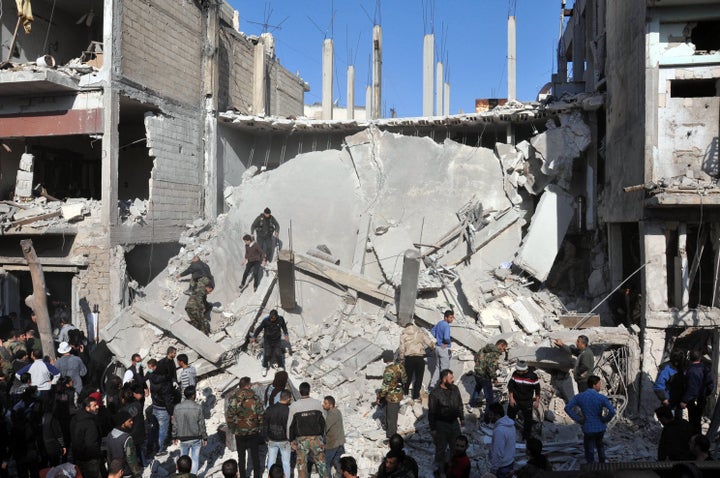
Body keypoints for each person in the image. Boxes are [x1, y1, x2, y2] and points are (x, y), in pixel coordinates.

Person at [564, 375, 616, 463]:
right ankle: (602, 467)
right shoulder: (601, 398)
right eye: (599, 384)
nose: (600, 386)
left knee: (589, 449)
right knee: (600, 446)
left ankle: (591, 468)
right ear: (594, 385)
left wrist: (578, 419)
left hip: (588, 427)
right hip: (600, 427)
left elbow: (567, 408)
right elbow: (612, 411)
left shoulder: (579, 397)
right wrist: (605, 419)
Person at [226, 376, 264, 478]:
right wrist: (259, 427)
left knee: (241, 457)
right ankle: (257, 476)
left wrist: (233, 429)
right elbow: (261, 414)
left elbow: (229, 415)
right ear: (247, 385)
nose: (251, 386)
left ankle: (242, 475)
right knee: (255, 456)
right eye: (250, 384)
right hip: (253, 431)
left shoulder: (234, 398)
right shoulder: (255, 397)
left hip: (239, 432)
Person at [428, 369, 464, 476]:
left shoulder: (455, 389)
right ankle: (440, 471)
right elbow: (432, 412)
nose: (453, 380)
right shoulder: (435, 393)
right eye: (451, 378)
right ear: (444, 379)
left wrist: (462, 418)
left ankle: (454, 469)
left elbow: (460, 404)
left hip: (454, 423)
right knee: (441, 449)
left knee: (456, 447)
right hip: (441, 424)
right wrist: (433, 428)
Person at [287, 382, 326, 478]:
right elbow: (323, 422)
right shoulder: (317, 404)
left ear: (300, 392)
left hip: (301, 440)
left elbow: (290, 425)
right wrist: (322, 436)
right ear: (309, 391)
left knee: (301, 466)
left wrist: (291, 440)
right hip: (316, 438)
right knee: (321, 464)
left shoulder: (294, 406)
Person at [471, 339, 508, 423]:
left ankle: (471, 405)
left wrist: (479, 366)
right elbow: (490, 367)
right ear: (501, 345)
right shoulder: (494, 353)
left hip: (477, 374)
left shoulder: (485, 348)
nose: (504, 351)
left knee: (477, 388)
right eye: (504, 348)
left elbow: (476, 357)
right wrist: (495, 378)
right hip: (485, 377)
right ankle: (487, 420)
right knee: (490, 399)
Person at [173, 386, 207, 475]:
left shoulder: (177, 407)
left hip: (183, 438)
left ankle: (182, 475)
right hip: (196, 437)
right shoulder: (198, 407)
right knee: (195, 459)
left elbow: (175, 424)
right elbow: (201, 424)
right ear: (193, 396)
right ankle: (192, 476)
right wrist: (205, 437)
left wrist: (174, 436)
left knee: (183, 459)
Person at [398, 321, 434, 401]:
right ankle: (415, 396)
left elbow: (401, 348)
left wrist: (401, 358)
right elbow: (429, 342)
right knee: (419, 378)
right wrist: (433, 347)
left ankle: (405, 393)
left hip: (409, 359)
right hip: (419, 358)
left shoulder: (404, 335)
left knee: (408, 377)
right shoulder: (420, 332)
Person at [681, 350, 713, 436]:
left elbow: (691, 388)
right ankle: (697, 438)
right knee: (697, 419)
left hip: (693, 399)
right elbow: (710, 385)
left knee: (693, 420)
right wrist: (706, 394)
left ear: (690, 358)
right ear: (700, 358)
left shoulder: (690, 370)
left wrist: (684, 400)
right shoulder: (705, 368)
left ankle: (693, 439)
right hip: (701, 398)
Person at [147, 358, 175, 455]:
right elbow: (168, 400)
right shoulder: (164, 383)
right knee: (163, 430)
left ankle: (149, 447)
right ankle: (159, 450)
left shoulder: (152, 378)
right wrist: (171, 413)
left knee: (155, 428)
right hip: (163, 409)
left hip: (155, 406)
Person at [70, 396, 103, 478]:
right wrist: (96, 455)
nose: (97, 407)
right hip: (91, 459)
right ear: (87, 408)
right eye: (94, 405)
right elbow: (91, 443)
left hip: (78, 457)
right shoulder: (90, 423)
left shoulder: (75, 419)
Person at [377, 350, 407, 438]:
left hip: (391, 396)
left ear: (385, 359)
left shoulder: (388, 371)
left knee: (392, 417)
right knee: (389, 413)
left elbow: (385, 387)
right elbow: (405, 379)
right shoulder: (400, 366)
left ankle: (391, 436)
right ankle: (388, 427)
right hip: (398, 394)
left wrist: (379, 396)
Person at [507, 360, 541, 439]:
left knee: (528, 420)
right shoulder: (515, 374)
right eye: (517, 370)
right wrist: (511, 398)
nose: (518, 372)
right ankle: (508, 432)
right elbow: (510, 387)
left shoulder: (533, 376)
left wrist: (537, 401)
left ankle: (526, 436)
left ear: (524, 370)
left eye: (519, 371)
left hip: (527, 401)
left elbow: (537, 389)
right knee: (510, 417)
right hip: (515, 400)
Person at [251, 310, 289, 377]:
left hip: (277, 340)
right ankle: (264, 366)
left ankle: (281, 366)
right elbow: (259, 328)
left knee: (278, 353)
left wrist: (286, 334)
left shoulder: (281, 319)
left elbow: (284, 327)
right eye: (271, 318)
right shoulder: (266, 320)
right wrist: (254, 336)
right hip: (267, 340)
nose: (271, 319)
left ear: (276, 317)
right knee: (267, 354)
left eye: (273, 318)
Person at [263, 389, 292, 478]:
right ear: (288, 399)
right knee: (286, 462)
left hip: (272, 439)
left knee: (271, 461)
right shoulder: (288, 410)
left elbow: (265, 424)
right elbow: (291, 427)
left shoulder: (270, 409)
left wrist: (266, 437)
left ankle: (270, 476)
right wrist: (291, 439)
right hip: (284, 440)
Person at [106, 410, 142, 478]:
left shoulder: (110, 435)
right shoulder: (127, 439)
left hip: (115, 472)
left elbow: (108, 455)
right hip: (126, 472)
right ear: (123, 423)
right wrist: (137, 473)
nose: (132, 422)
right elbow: (130, 457)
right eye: (129, 421)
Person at [654, 350, 685, 419]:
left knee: (678, 423)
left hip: (678, 402)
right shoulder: (666, 368)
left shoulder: (680, 368)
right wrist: (664, 399)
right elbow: (658, 386)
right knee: (671, 423)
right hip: (669, 402)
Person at [487, 403, 515, 478]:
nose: (489, 417)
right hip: (510, 463)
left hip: (502, 467)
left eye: (491, 415)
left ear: (497, 415)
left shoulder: (499, 431)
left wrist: (493, 470)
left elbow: (498, 453)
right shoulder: (511, 424)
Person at [429, 311, 454, 389]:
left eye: (453, 317)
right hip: (443, 348)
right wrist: (448, 342)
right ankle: (443, 387)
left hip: (438, 347)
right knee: (445, 370)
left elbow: (432, 331)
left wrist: (438, 338)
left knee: (437, 368)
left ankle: (432, 386)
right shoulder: (446, 325)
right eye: (450, 317)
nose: (452, 319)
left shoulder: (439, 323)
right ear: (445, 317)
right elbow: (446, 338)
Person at [323, 395, 346, 477]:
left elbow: (325, 428)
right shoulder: (338, 411)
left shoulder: (331, 414)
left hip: (332, 443)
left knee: (326, 463)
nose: (323, 405)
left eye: (325, 403)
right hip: (340, 441)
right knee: (337, 461)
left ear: (331, 405)